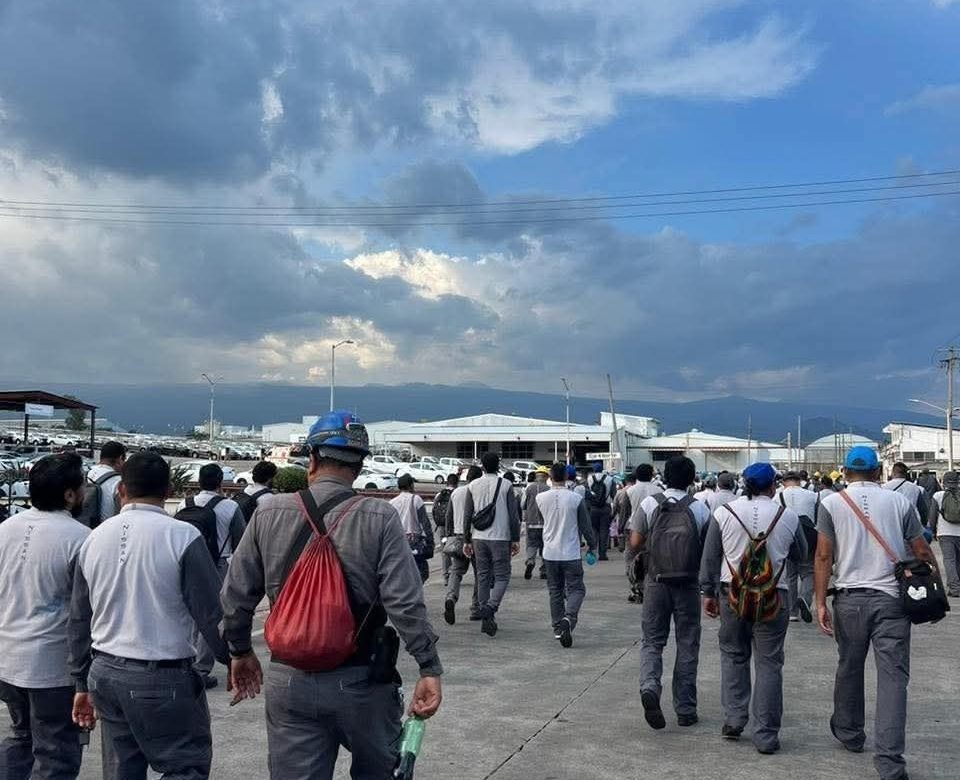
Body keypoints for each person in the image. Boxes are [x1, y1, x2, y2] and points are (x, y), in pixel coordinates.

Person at [221, 411, 443, 780]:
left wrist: (240, 651)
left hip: (288, 679)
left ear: (311, 459)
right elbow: (404, 601)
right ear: (359, 466)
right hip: (361, 681)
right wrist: (428, 666)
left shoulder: (269, 511)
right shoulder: (379, 516)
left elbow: (235, 595)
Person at [68, 452, 229, 780]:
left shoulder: (92, 539)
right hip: (162, 675)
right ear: (168, 490)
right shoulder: (182, 536)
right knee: (185, 766)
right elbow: (211, 613)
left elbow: (79, 619)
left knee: (121, 769)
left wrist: (80, 680)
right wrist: (236, 655)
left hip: (105, 673)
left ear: (121, 490)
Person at [815, 446, 936, 780]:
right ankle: (889, 762)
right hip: (893, 601)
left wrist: (820, 602)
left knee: (849, 667)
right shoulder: (900, 502)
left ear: (845, 471)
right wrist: (934, 585)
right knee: (894, 678)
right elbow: (921, 548)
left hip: (849, 599)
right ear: (877, 470)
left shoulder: (830, 504)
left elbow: (824, 556)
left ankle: (850, 732)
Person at [700, 462, 806, 754]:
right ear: (773, 486)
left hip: (731, 593)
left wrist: (707, 593)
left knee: (734, 655)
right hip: (775, 596)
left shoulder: (724, 513)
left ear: (744, 484)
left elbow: (710, 558)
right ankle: (766, 735)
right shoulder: (788, 516)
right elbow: (801, 554)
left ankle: (734, 719)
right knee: (769, 663)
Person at [0, 454, 90, 780]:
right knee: (57, 754)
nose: (85, 491)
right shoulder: (80, 538)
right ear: (68, 494)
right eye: (82, 485)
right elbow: (85, 612)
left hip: (8, 659)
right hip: (53, 668)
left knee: (21, 737)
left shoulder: (6, 528)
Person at [628, 456, 710, 730]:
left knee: (652, 641)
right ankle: (685, 709)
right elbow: (707, 549)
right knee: (687, 642)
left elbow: (636, 541)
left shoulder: (650, 503)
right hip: (688, 583)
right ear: (691, 480)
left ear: (664, 478)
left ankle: (650, 686)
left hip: (656, 581)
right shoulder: (699, 508)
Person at [174, 463, 246, 689]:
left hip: (184, 561)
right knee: (212, 615)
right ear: (220, 482)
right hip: (218, 563)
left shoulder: (184, 504)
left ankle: (183, 662)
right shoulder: (230, 507)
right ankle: (201, 669)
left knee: (186, 612)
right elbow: (240, 541)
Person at [537, 463, 597, 648]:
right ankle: (569, 618)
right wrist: (592, 545)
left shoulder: (540, 497)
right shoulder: (575, 498)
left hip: (549, 552)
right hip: (570, 552)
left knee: (555, 590)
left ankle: (557, 627)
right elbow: (585, 526)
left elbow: (543, 520)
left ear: (550, 476)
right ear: (565, 476)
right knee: (577, 589)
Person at [464, 452, 521, 638]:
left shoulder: (472, 485)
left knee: (482, 576)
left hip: (478, 537)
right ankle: (491, 607)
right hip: (501, 537)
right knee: (502, 576)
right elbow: (514, 516)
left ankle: (484, 612)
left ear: (482, 465)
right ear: (498, 466)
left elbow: (467, 515)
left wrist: (466, 540)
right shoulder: (506, 485)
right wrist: (515, 539)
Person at [778, 471, 818, 623]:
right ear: (800, 481)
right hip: (808, 538)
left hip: (786, 539)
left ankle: (792, 612)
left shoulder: (777, 496)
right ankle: (805, 598)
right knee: (808, 573)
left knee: (790, 576)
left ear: (784, 482)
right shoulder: (813, 495)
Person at [444, 466, 482, 624]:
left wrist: (449, 536)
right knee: (480, 573)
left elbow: (448, 517)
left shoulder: (456, 492)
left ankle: (451, 597)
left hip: (459, 537)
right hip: (478, 537)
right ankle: (475, 608)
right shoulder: (479, 492)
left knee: (456, 571)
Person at [390, 474, 434, 582]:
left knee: (403, 571)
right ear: (410, 485)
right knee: (422, 572)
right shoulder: (416, 499)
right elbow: (425, 523)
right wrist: (430, 540)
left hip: (398, 542)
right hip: (415, 543)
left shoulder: (392, 503)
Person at [79, 441, 126, 528]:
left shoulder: (86, 473)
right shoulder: (119, 482)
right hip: (105, 531)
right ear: (120, 459)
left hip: (83, 526)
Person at [928, 470, 960, 597]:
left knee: (949, 560)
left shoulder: (938, 495)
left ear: (944, 482)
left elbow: (932, 516)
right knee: (958, 560)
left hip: (945, 533)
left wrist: (933, 531)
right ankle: (956, 585)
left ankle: (955, 588)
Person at [522, 467, 551, 580]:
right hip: (546, 523)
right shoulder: (549, 489)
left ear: (536, 476)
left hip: (531, 522)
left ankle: (530, 561)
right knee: (545, 546)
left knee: (531, 544)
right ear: (546, 477)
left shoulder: (529, 489)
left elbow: (522, 504)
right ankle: (544, 570)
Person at [883, 462, 929, 529]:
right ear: (905, 474)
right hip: (912, 524)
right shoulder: (915, 488)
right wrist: (924, 524)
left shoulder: (884, 487)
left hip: (891, 523)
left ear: (893, 473)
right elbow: (922, 509)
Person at [585, 463, 616, 561]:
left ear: (593, 469)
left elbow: (587, 495)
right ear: (602, 469)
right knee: (604, 530)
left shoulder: (589, 479)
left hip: (593, 508)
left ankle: (593, 552)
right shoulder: (610, 479)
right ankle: (602, 554)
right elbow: (613, 494)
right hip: (606, 508)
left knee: (593, 530)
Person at [433, 474, 457, 584]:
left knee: (445, 551)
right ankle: (454, 573)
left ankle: (445, 575)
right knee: (456, 550)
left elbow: (434, 510)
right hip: (454, 527)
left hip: (442, 526)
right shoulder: (457, 493)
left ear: (447, 482)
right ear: (456, 483)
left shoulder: (439, 494)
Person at [612, 472, 636, 552]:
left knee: (622, 531)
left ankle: (622, 545)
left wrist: (613, 516)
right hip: (635, 516)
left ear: (626, 481)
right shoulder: (636, 491)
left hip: (621, 515)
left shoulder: (620, 492)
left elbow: (615, 505)